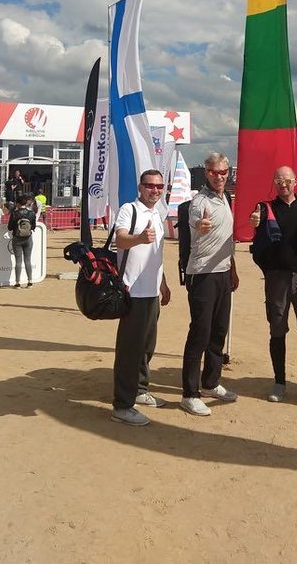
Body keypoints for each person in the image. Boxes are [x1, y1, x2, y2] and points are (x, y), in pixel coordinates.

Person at [249, 165, 297, 406]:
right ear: (274, 183)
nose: (284, 185)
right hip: (276, 278)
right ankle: (279, 382)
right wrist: (254, 223)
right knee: (277, 329)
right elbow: (257, 235)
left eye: (288, 181)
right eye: (279, 181)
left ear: (295, 183)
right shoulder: (265, 208)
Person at [180, 152, 239, 416]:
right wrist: (199, 224)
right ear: (206, 173)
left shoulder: (225, 197)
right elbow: (195, 218)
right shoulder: (199, 201)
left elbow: (228, 239)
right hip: (202, 274)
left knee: (218, 332)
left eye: (223, 172)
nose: (219, 176)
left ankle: (210, 382)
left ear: (228, 173)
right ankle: (189, 394)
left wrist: (233, 270)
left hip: (223, 273)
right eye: (214, 172)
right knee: (200, 334)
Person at [112, 169, 171, 427]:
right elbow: (120, 239)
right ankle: (122, 406)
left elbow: (157, 254)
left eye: (159, 186)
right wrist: (139, 238)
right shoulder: (129, 209)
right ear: (140, 187)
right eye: (150, 185)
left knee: (147, 347)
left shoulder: (158, 214)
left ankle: (140, 390)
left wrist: (164, 283)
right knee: (129, 350)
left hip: (151, 292)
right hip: (132, 291)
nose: (155, 190)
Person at [8, 193, 36, 287]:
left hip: (17, 238)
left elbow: (9, 227)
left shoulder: (15, 214)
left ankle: (17, 282)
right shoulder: (31, 213)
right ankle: (30, 281)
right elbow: (33, 226)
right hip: (28, 238)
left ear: (17, 204)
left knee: (18, 261)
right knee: (28, 260)